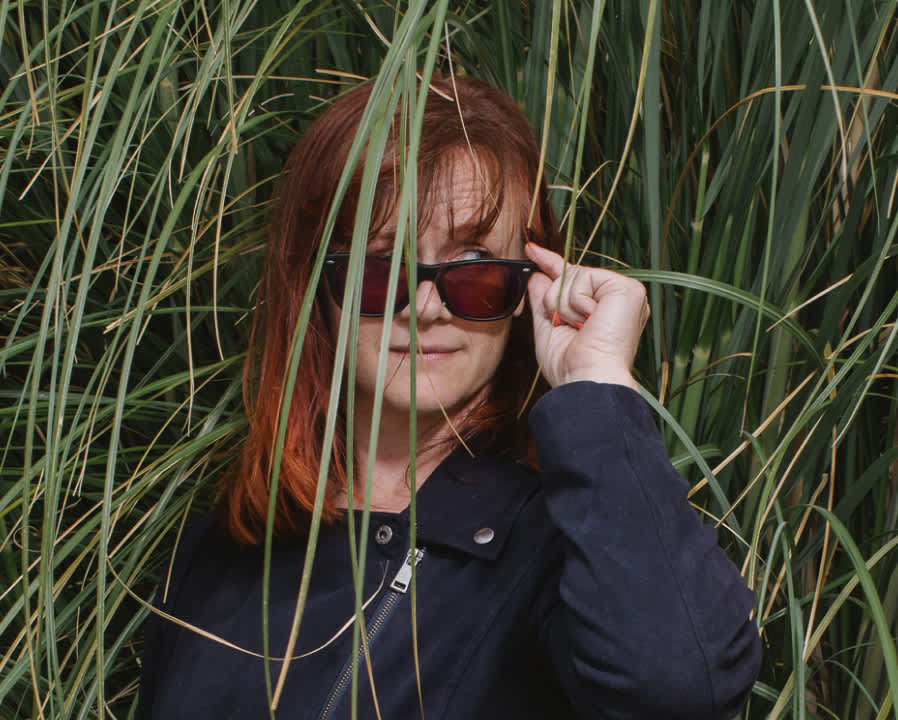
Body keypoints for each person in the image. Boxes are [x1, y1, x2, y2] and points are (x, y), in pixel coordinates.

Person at [138, 75, 760, 719]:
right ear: (317, 287)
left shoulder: (568, 553)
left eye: (476, 270)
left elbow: (681, 688)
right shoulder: (226, 538)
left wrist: (596, 380)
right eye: (382, 267)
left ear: (528, 289)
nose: (428, 309)